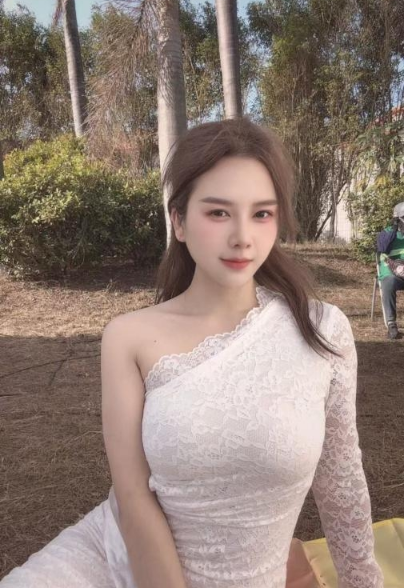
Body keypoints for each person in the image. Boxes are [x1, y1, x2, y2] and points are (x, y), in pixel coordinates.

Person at [0, 117, 384, 588]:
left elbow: (341, 482)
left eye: (262, 214)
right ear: (179, 221)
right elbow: (133, 495)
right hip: (114, 555)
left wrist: (364, 582)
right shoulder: (128, 336)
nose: (242, 236)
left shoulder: (321, 329)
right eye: (218, 213)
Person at [376, 201, 404, 340]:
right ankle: (391, 323)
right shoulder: (386, 233)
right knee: (389, 281)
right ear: (397, 219)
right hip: (392, 273)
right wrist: (394, 229)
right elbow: (382, 248)